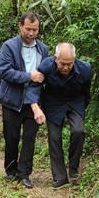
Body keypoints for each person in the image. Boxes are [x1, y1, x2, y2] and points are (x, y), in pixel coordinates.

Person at [0, 12, 47, 189]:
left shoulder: (43, 49)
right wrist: (28, 76)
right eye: (28, 29)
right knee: (11, 136)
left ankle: (24, 174)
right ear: (20, 26)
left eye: (35, 29)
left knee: (29, 138)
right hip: (12, 100)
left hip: (33, 102)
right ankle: (11, 171)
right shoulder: (9, 46)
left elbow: (44, 75)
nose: (31, 33)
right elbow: (5, 71)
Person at [36, 42, 92, 188]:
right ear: (55, 59)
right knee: (54, 138)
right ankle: (60, 177)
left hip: (75, 100)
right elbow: (36, 87)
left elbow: (87, 93)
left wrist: (81, 110)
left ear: (74, 60)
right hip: (53, 102)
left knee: (78, 130)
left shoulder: (85, 69)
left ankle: (73, 168)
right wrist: (38, 105)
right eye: (62, 64)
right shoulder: (45, 66)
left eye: (69, 63)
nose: (66, 67)